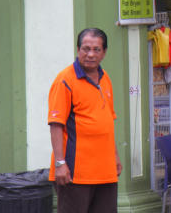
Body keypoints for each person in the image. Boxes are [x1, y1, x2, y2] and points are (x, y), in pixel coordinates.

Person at [48, 28, 122, 213]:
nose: (90, 54)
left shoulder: (106, 79)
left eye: (96, 49)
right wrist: (60, 163)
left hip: (105, 172)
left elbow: (108, 121)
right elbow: (56, 124)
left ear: (104, 52)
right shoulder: (65, 80)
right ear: (78, 50)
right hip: (75, 173)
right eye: (85, 48)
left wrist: (115, 155)